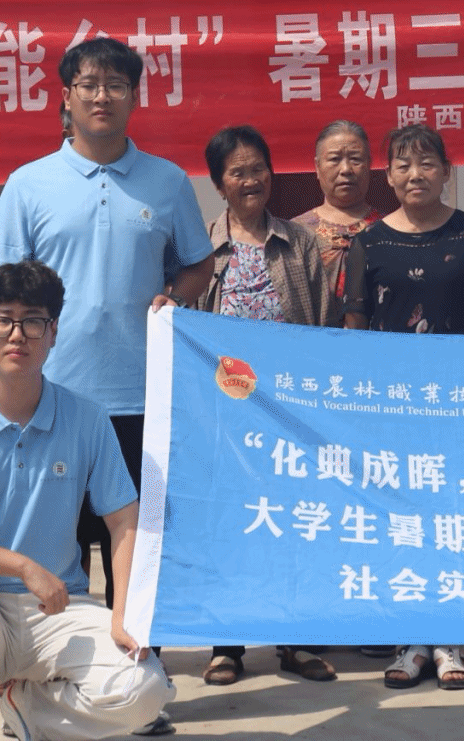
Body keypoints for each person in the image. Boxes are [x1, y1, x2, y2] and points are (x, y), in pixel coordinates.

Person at [0, 38, 213, 737]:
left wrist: (175, 296)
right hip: (50, 399)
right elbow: (5, 288)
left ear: (134, 96)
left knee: (136, 556)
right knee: (55, 556)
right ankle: (36, 697)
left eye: (116, 83)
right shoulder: (29, 184)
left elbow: (197, 266)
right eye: (88, 83)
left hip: (141, 399)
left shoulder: (167, 181)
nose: (101, 95)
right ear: (65, 95)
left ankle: (143, 694)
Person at [0, 259, 172, 741]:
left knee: (146, 691)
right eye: (3, 320)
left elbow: (125, 520)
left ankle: (32, 710)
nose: (17, 335)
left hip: (59, 611)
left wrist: (123, 612)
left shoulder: (87, 418)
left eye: (33, 321)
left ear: (54, 332)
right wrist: (21, 566)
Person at [343, 123, 464, 691]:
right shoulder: (369, 243)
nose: (415, 175)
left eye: (426, 163)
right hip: (391, 410)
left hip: (461, 406)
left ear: (446, 171)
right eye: (403, 165)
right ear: (388, 176)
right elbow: (355, 327)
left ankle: (448, 640)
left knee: (453, 517)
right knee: (402, 520)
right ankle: (411, 639)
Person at [196, 125, 340, 687]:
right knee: (231, 525)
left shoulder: (299, 242)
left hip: (289, 412)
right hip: (225, 415)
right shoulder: (201, 246)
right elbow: (188, 323)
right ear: (219, 183)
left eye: (258, 168)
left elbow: (324, 324)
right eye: (238, 172)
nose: (251, 180)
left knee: (293, 523)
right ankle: (227, 646)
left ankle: (296, 641)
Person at [292, 120, 378, 300]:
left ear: (369, 164)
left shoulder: (390, 229)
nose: (346, 169)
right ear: (317, 167)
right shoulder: (295, 232)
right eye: (334, 159)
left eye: (355, 159)